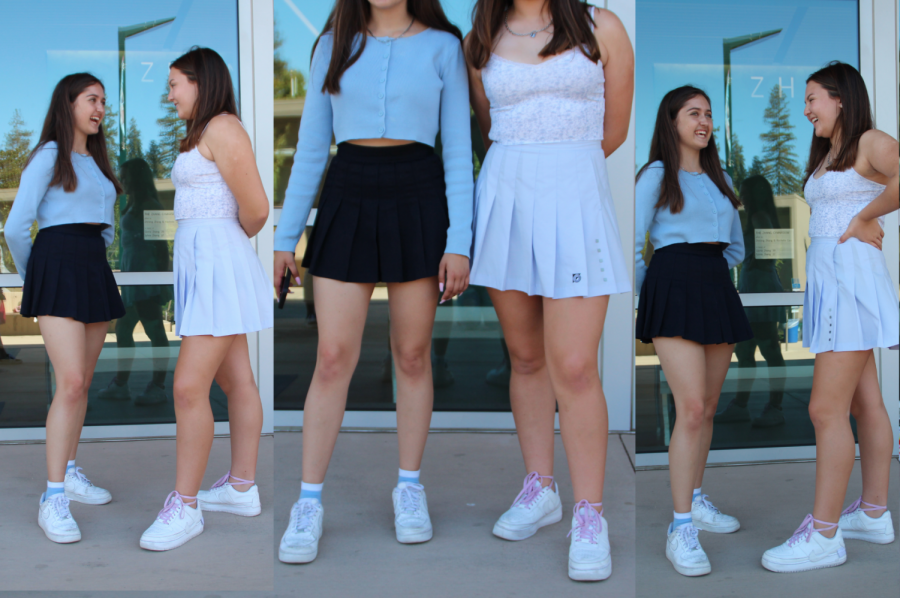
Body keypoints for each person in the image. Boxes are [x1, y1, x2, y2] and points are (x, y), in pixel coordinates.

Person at [274, 0, 473, 564]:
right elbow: (311, 149)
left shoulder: (444, 46)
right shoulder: (331, 44)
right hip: (349, 190)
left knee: (411, 356)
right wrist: (284, 239)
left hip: (419, 192)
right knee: (333, 358)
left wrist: (460, 239)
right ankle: (308, 502)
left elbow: (459, 149)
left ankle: (409, 487)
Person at [466, 0, 633, 581]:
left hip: (576, 198)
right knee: (527, 357)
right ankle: (541, 488)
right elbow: (488, 126)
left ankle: (590, 515)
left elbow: (614, 130)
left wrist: (564, 173)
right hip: (506, 197)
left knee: (576, 366)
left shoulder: (601, 25)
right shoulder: (482, 35)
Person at [762, 61, 898, 573]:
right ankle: (875, 512)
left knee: (825, 410)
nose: (805, 109)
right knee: (866, 404)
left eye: (814, 97)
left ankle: (823, 536)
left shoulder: (869, 142)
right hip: (834, 283)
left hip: (849, 284)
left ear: (841, 98)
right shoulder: (832, 153)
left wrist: (866, 216)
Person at [139, 47, 272, 551]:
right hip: (205, 266)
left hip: (217, 266)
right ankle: (241, 487)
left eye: (175, 83)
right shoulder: (203, 131)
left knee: (188, 388)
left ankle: (186, 506)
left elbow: (256, 209)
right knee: (238, 381)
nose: (170, 93)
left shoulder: (222, 127)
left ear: (201, 81)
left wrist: (222, 248)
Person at [634, 86, 752, 576]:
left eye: (707, 114)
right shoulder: (656, 175)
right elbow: (630, 241)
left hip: (713, 283)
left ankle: (697, 498)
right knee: (691, 407)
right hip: (673, 283)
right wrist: (652, 295)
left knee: (706, 410)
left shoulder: (720, 177)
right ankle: (680, 527)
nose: (703, 122)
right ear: (672, 120)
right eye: (693, 113)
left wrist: (711, 275)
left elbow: (736, 248)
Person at [6, 73, 125, 543]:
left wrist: (101, 251)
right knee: (71, 382)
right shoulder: (49, 156)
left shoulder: (95, 161)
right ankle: (53, 496)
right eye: (92, 100)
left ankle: (71, 470)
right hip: (56, 263)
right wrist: (36, 275)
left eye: (103, 103)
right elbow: (17, 227)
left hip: (92, 265)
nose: (100, 109)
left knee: (83, 382)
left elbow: (107, 224)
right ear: (68, 103)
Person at [714, 174, 787, 428]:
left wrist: (755, 261)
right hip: (755, 288)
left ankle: (773, 408)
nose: (741, 196)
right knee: (747, 350)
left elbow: (770, 254)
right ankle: (742, 405)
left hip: (760, 289)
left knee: (767, 349)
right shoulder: (758, 217)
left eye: (744, 192)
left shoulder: (758, 218)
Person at [98, 158, 172, 406]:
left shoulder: (150, 205)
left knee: (155, 331)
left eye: (127, 177)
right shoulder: (133, 205)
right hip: (133, 280)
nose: (123, 181)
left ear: (138, 180)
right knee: (123, 329)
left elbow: (162, 248)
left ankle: (158, 387)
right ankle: (121, 385)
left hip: (146, 280)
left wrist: (160, 283)